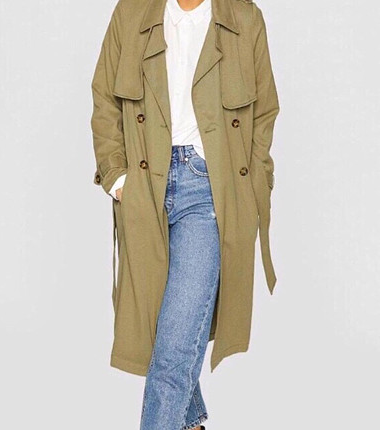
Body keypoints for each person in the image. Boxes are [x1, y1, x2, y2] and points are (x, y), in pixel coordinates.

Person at [90, 0, 280, 428]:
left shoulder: (243, 17)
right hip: (145, 187)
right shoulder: (131, 13)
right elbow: (104, 97)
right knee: (160, 331)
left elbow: (265, 110)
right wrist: (118, 178)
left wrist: (251, 186)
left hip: (210, 189)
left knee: (174, 348)